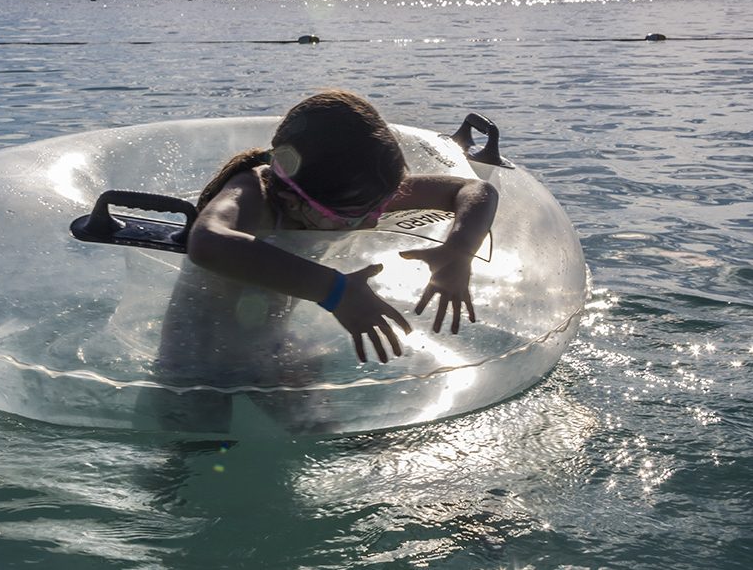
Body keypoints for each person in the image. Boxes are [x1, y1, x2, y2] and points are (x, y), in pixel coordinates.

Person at [142, 90, 498, 432]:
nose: (374, 219)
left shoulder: (354, 193)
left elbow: (474, 190)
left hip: (273, 349)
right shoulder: (252, 194)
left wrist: (459, 251)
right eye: (359, 215)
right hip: (198, 362)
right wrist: (336, 291)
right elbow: (207, 243)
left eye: (380, 205)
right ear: (297, 200)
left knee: (339, 438)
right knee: (190, 467)